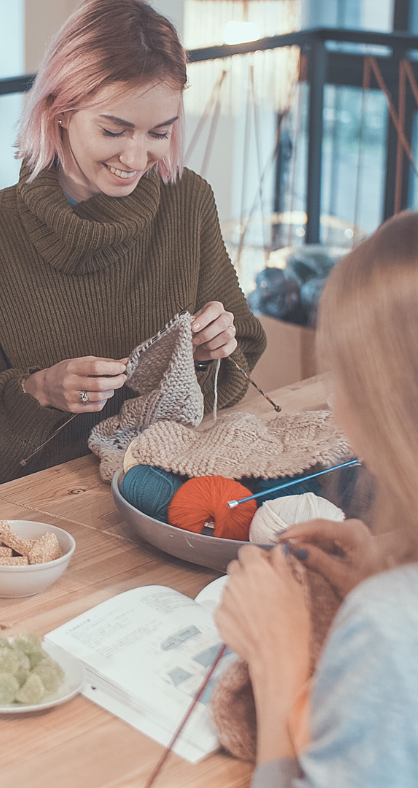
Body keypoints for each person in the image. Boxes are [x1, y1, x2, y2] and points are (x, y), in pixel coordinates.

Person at [0, 0, 266, 504]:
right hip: (27, 513)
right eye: (114, 130)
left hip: (155, 489)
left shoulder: (188, 203)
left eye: (159, 133)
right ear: (60, 110)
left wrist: (213, 350)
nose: (135, 157)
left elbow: (240, 359)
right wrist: (38, 392)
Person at [214, 211, 418, 787]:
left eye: (343, 373)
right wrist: (389, 562)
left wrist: (277, 660)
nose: (333, 401)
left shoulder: (390, 625)